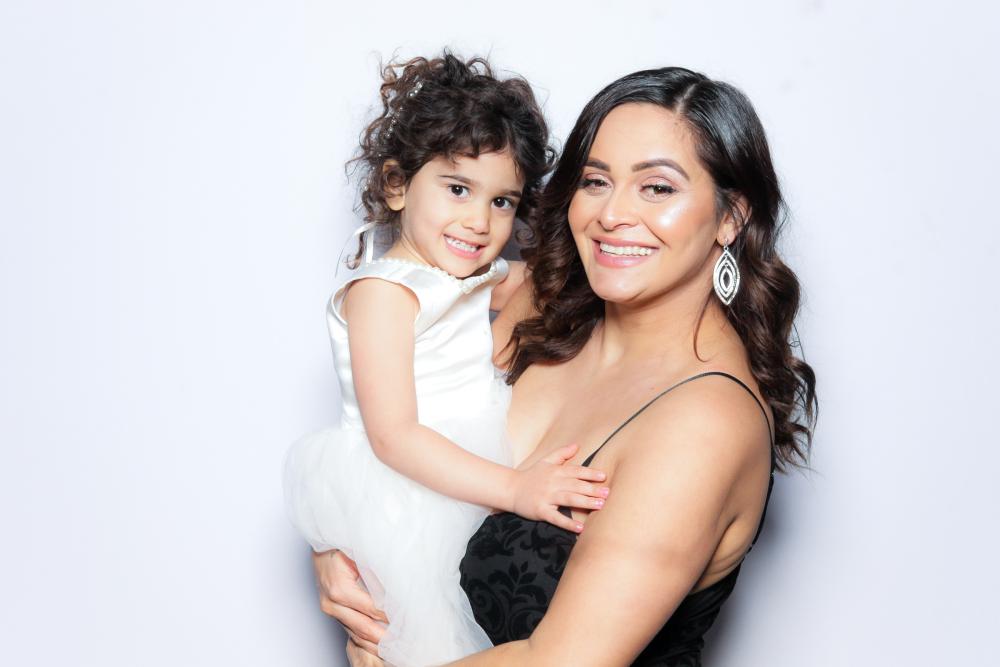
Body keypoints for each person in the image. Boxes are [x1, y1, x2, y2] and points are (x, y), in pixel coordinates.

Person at [316, 65, 818, 667]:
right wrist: (345, 554)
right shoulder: (546, 309)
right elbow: (403, 440)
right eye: (596, 181)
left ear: (731, 216)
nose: (612, 214)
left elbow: (561, 660)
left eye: (657, 188)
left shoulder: (705, 423)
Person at [282, 53, 613, 667]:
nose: (479, 221)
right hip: (410, 485)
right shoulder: (384, 292)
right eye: (458, 189)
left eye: (503, 201)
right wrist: (515, 489)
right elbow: (394, 435)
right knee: (427, 643)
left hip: (463, 467)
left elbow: (545, 280)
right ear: (396, 185)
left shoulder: (468, 276)